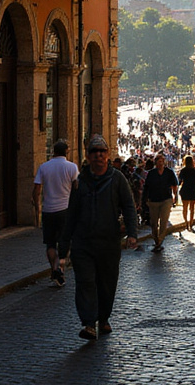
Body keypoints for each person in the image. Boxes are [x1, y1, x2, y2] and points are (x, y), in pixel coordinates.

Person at [58, 135, 137, 341]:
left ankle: (103, 318)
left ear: (108, 154)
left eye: (102, 151)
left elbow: (128, 206)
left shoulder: (117, 179)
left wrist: (132, 233)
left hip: (109, 242)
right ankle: (88, 323)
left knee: (106, 283)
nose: (98, 155)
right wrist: (63, 247)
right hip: (83, 242)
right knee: (85, 281)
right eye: (94, 152)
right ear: (88, 155)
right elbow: (71, 214)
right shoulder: (79, 182)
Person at [32, 139, 79, 286]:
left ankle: (55, 269)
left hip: (48, 210)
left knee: (50, 243)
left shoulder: (44, 167)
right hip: (65, 210)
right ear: (66, 152)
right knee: (65, 243)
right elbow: (77, 188)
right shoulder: (72, 167)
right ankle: (58, 267)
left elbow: (36, 190)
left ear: (53, 152)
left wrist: (37, 208)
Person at [141, 152, 178, 250]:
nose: (160, 164)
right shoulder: (151, 173)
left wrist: (175, 196)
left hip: (166, 199)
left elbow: (174, 185)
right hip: (153, 200)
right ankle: (156, 240)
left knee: (164, 221)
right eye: (159, 162)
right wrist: (144, 200)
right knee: (153, 223)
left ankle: (160, 241)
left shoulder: (169, 172)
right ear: (156, 163)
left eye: (162, 161)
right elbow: (146, 187)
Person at [177, 154, 195, 231]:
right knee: (192, 208)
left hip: (185, 189)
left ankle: (186, 223)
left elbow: (179, 181)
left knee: (185, 208)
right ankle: (191, 223)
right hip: (193, 189)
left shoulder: (183, 170)